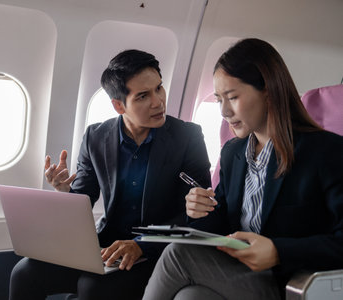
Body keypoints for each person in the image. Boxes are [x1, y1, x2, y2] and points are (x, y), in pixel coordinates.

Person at [142, 38, 343, 300]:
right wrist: (200, 211)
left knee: (178, 254)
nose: (224, 111)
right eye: (218, 100)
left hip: (294, 284)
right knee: (190, 297)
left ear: (268, 90)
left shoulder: (325, 151)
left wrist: (277, 251)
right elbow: (223, 225)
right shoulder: (233, 153)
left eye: (233, 97)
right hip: (241, 275)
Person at [9, 49, 212, 300]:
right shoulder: (95, 137)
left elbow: (196, 215)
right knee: (24, 273)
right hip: (105, 246)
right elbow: (82, 200)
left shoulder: (188, 137)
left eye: (159, 88)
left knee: (93, 287)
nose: (158, 101)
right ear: (118, 105)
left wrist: (142, 244)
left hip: (156, 251)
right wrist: (64, 193)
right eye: (143, 96)